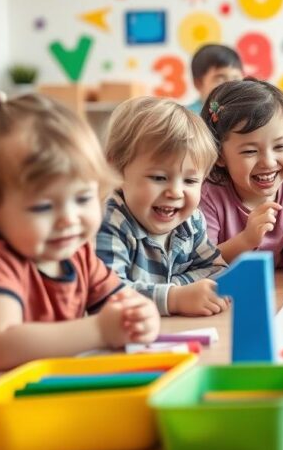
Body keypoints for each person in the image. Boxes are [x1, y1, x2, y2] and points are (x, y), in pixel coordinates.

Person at [0, 93, 159, 406]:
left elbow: (122, 303)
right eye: (44, 206)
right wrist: (101, 329)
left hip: (20, 401)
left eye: (83, 198)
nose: (69, 220)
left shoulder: (79, 255)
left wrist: (141, 316)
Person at [97, 97, 228, 316]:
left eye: (190, 181)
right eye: (158, 178)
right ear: (116, 171)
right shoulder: (109, 221)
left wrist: (176, 287)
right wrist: (174, 298)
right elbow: (106, 297)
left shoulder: (191, 221)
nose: (176, 192)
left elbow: (217, 270)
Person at [199, 79, 283, 275]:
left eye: (280, 146)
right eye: (250, 151)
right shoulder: (208, 196)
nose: (269, 162)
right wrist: (246, 239)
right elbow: (201, 265)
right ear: (219, 155)